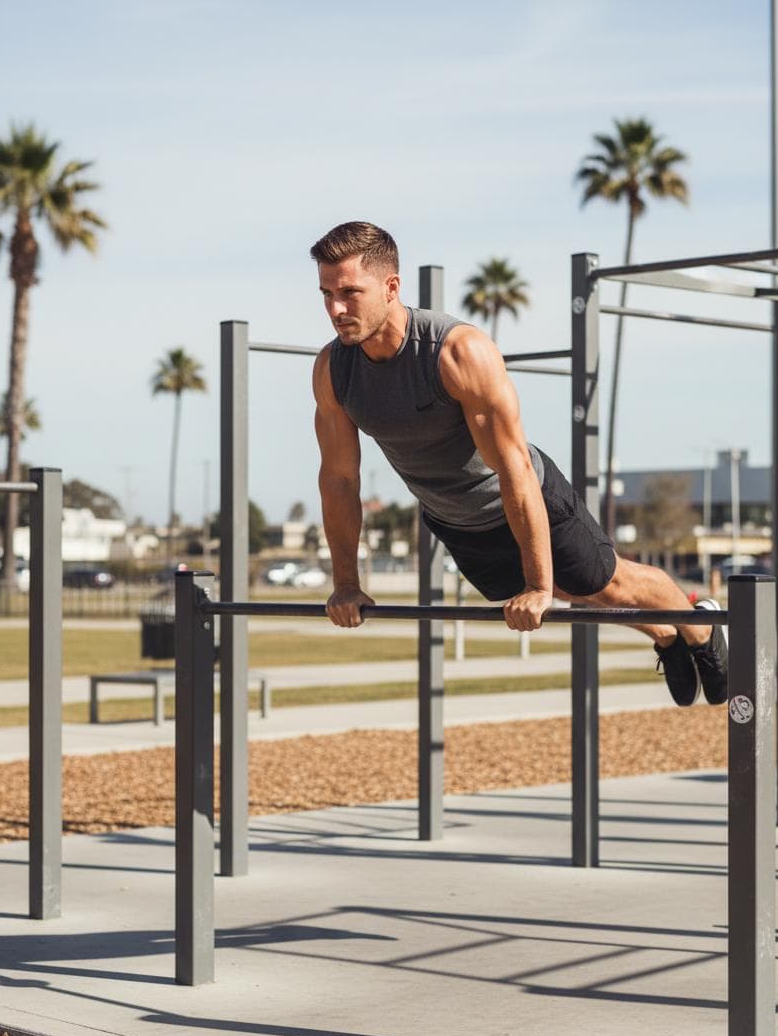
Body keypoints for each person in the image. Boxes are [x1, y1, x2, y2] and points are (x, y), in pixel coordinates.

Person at [310, 221, 728, 707]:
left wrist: (537, 582)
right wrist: (346, 584)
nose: (336, 309)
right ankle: (665, 633)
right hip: (457, 522)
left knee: (604, 584)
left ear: (391, 286)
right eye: (326, 294)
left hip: (525, 496)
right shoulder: (333, 369)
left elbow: (514, 471)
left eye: (349, 293)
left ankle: (698, 628)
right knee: (575, 594)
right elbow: (339, 479)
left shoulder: (456, 352)